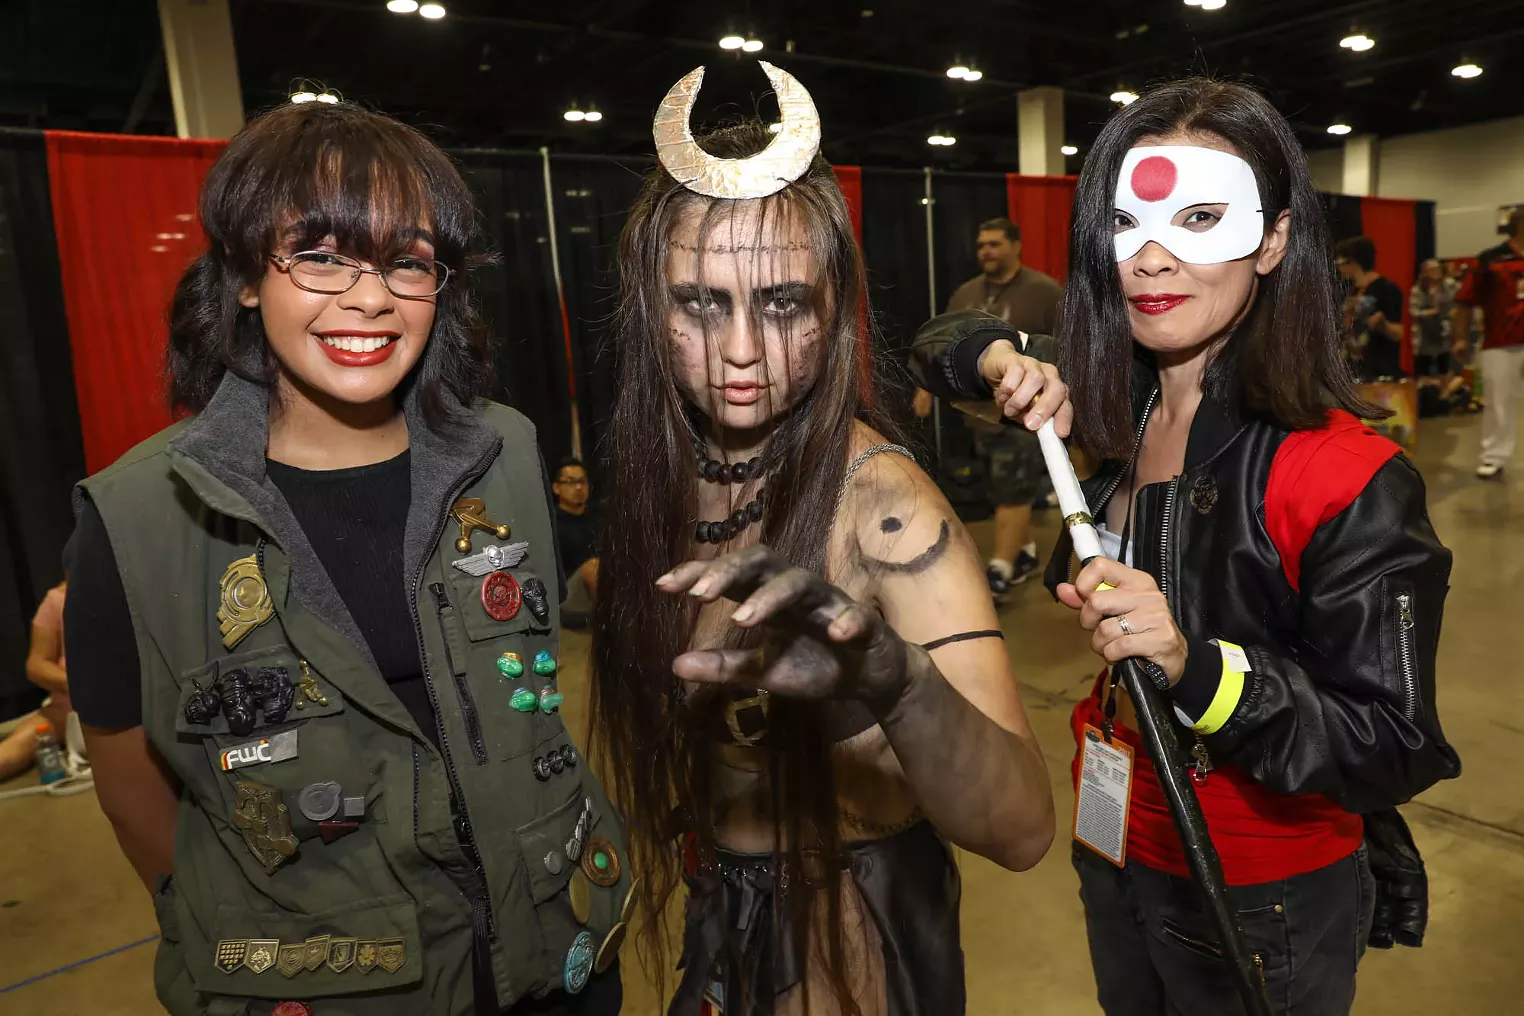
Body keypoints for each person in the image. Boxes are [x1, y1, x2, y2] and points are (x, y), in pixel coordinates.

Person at [64, 101, 629, 1015]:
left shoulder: (508, 452)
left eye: (406, 260)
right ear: (249, 275)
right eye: (321, 255)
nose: (369, 298)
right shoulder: (135, 517)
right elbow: (131, 791)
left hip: (558, 956)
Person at [913, 78, 1459, 1015]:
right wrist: (1002, 359)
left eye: (1201, 216)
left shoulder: (1344, 476)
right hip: (1116, 838)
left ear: (1274, 238)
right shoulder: (1114, 394)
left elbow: (1394, 744)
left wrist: (1195, 666)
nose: (1154, 258)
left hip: (1258, 889)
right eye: (1127, 221)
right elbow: (938, 342)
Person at [591, 63, 1067, 1015]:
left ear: (831, 309)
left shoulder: (885, 506)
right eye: (700, 304)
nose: (739, 353)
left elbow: (1022, 828)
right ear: (655, 310)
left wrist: (895, 681)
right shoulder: (661, 478)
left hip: (858, 945)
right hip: (722, 921)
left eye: (780, 305)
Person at [916, 218, 1064, 596]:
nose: (987, 251)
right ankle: (1025, 551)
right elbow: (943, 345)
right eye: (982, 245)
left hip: (1029, 416)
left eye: (995, 244)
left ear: (1016, 246)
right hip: (978, 414)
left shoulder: (1044, 291)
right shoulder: (967, 293)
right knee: (1001, 488)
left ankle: (1000, 567)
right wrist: (924, 389)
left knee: (1012, 489)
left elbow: (1067, 346)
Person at [1454, 207, 1524, 479]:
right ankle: (1493, 457)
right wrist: (1460, 338)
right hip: (1499, 342)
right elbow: (1465, 301)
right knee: (1498, 402)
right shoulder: (1490, 260)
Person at [1335, 235, 1406, 381]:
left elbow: (1398, 333)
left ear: (1353, 262)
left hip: (1380, 373)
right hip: (1351, 371)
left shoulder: (1387, 289)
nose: (1339, 268)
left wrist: (1382, 325)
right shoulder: (1347, 292)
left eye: (1341, 263)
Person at [553, 459, 599, 629]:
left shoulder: (600, 517)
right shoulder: (552, 523)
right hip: (568, 598)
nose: (578, 488)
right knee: (592, 567)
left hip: (603, 587)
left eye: (582, 481)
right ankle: (612, 624)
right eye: (571, 482)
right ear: (556, 488)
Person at [1409, 259, 1455, 378]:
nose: (1436, 272)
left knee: (1444, 368)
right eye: (1432, 270)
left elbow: (1457, 303)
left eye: (1438, 269)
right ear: (1425, 272)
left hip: (1445, 334)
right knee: (1423, 369)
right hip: (1425, 337)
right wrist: (1430, 312)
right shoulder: (1418, 290)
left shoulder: (1449, 285)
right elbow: (1413, 312)